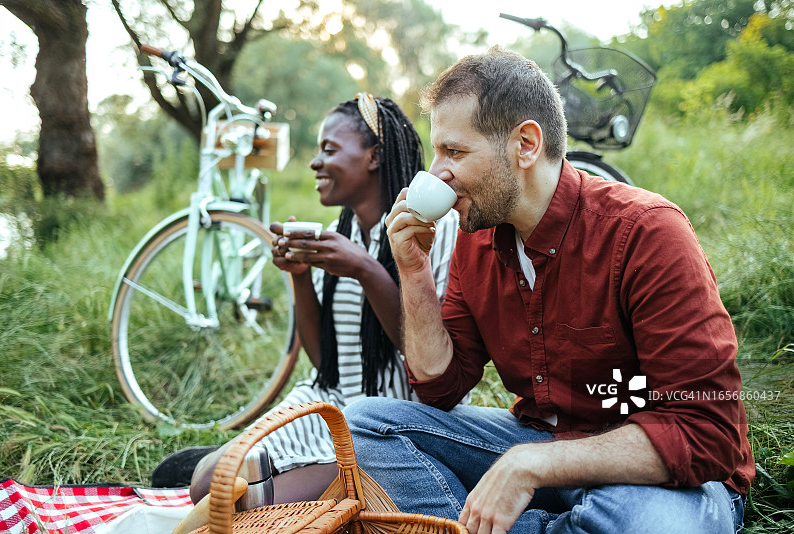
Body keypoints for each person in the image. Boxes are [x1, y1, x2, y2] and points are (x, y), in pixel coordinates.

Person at [343, 47, 754, 534]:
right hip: (539, 441)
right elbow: (439, 387)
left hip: (654, 474)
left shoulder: (646, 232)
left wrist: (529, 466)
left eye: (454, 152)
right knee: (363, 423)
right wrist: (413, 272)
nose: (437, 173)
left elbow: (708, 434)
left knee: (644, 523)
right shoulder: (476, 240)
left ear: (525, 144)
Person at [151, 94, 459, 504]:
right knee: (206, 484)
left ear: (374, 156)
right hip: (329, 404)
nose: (315, 162)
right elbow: (323, 361)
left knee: (229, 502)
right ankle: (281, 466)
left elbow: (427, 357)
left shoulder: (435, 230)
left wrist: (366, 269)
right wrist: (299, 276)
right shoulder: (339, 232)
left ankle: (302, 474)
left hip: (395, 425)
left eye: (329, 149)